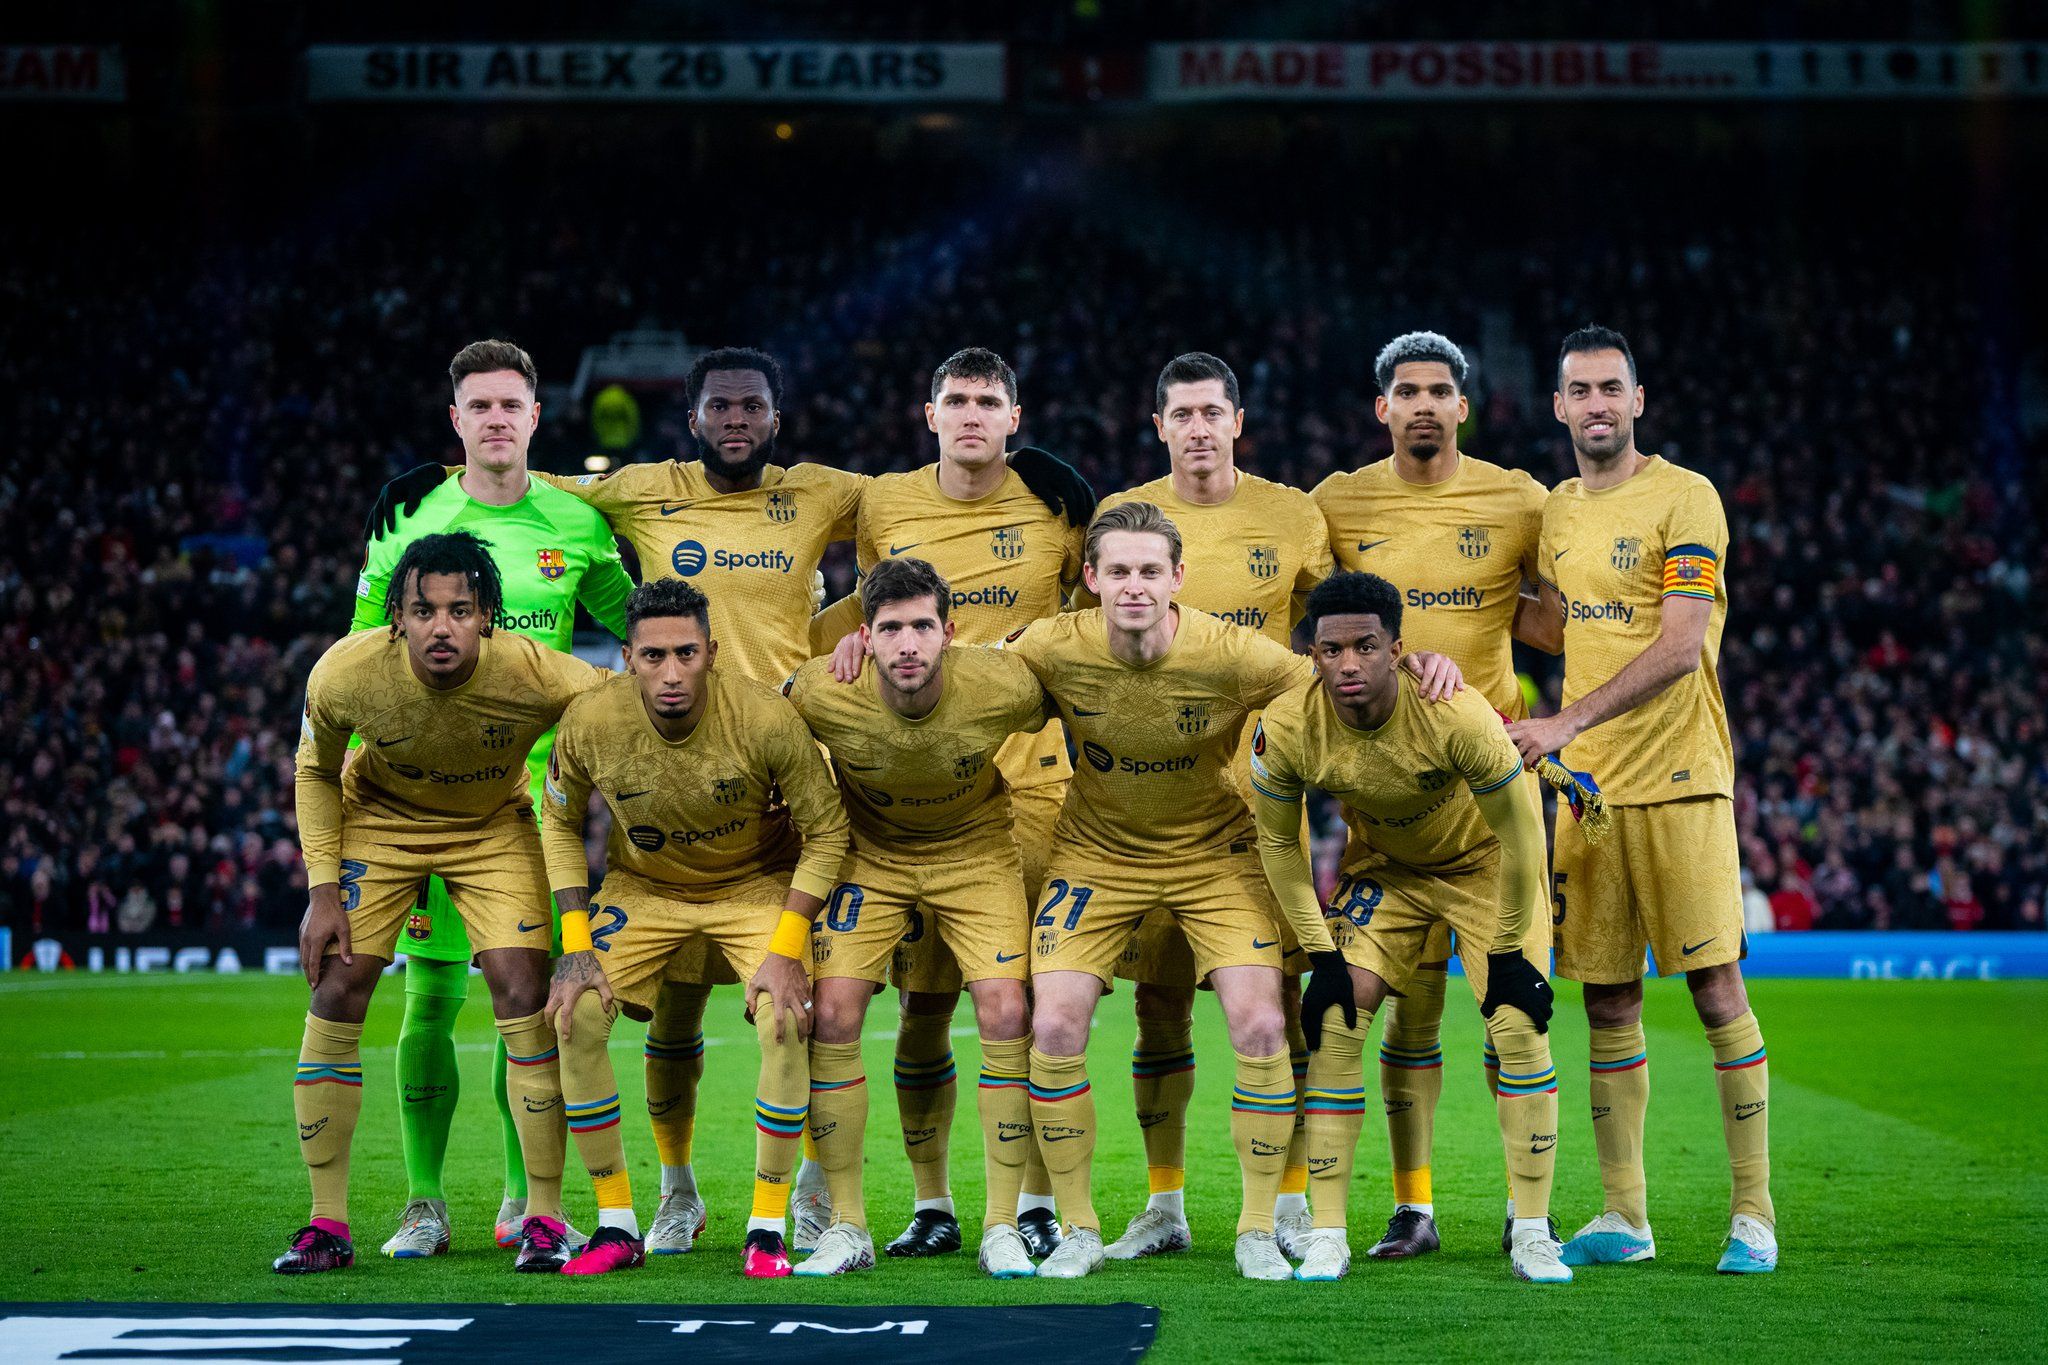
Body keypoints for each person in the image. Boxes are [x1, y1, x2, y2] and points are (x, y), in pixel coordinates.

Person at [1002, 502, 1463, 1281]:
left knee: (1258, 1025)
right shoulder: (1052, 643)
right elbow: (965, 676)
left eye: (1151, 570)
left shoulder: (1232, 652)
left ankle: (1255, 1228)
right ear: (1090, 579)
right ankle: (1078, 1227)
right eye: (1117, 570)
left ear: (1178, 578)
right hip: (1096, 852)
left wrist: (1419, 663)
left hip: (1216, 851)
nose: (1135, 586)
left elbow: (1336, 674)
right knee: (1052, 1026)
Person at [805, 346, 1091, 1259]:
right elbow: (788, 527)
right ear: (928, 414)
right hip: (910, 784)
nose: (972, 414)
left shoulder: (1058, 507)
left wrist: (1077, 487)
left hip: (1036, 783)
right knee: (922, 1007)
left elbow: (1104, 597)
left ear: (1016, 414)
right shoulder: (880, 501)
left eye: (989, 401)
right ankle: (932, 1202)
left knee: (1036, 1001)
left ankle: (1036, 1199)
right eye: (956, 399)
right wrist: (845, 643)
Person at [1507, 325, 1776, 1275]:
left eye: (1610, 388)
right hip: (1589, 792)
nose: (1596, 405)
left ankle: (1755, 1213)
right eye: (1579, 390)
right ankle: (1626, 1213)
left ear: (1638, 398)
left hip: (1682, 778)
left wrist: (1563, 722)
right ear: (1558, 406)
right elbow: (1561, 626)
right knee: (1609, 1001)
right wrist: (1461, 604)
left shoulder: (1686, 495)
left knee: (1715, 988)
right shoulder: (1558, 514)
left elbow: (1677, 643)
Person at [355, 338, 632, 1260]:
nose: (498, 419)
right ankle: (425, 1201)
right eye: (480, 406)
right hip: (422, 803)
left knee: (532, 1004)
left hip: (535, 813)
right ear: (457, 421)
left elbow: (637, 626)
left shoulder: (576, 520)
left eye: (513, 404)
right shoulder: (408, 514)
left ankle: (524, 1199)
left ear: (537, 416)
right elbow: (360, 657)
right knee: (428, 1002)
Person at [277, 531, 608, 1274]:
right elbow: (316, 773)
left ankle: (544, 1216)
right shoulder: (345, 672)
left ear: (489, 614)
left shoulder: (533, 670)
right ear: (395, 615)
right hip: (382, 822)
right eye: (424, 609)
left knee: (524, 989)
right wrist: (322, 889)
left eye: (460, 609)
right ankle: (326, 1221)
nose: (441, 625)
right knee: (339, 982)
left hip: (492, 823)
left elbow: (620, 707)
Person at [1076, 352, 1334, 1262]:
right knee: (1158, 1001)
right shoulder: (1127, 519)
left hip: (1262, 799)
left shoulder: (1294, 514)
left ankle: (1292, 1199)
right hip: (1149, 799)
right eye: (1180, 412)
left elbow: (1331, 629)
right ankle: (1165, 1202)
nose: (1196, 427)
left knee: (1281, 1001)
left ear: (1237, 421)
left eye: (1211, 411)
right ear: (1159, 426)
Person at [1249, 571, 1569, 1285]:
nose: (1349, 664)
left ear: (1398, 648)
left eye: (1366, 646)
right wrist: (1320, 950)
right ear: (1314, 655)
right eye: (1332, 650)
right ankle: (1328, 1231)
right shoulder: (1291, 724)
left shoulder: (1457, 712)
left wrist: (1514, 949)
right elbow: (1279, 846)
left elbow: (1522, 838)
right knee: (1333, 1016)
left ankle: (1533, 1227)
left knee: (1518, 1021)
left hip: (1486, 864)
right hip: (1387, 869)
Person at [1311, 330, 1555, 1258]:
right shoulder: (1339, 501)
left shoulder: (1518, 497)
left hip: (1489, 802)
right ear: (1382, 408)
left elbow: (1560, 621)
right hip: (1386, 815)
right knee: (1402, 1019)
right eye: (1405, 390)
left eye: (1438, 390)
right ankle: (1413, 1206)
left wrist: (1499, 666)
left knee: (1513, 1017)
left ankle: (1526, 1213)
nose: (1422, 404)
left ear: (1464, 405)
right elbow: (1312, 620)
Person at [539, 578, 850, 1278]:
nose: (671, 672)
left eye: (686, 652)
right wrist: (575, 941)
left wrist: (787, 946)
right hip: (644, 888)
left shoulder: (765, 717)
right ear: (627, 657)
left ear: (711, 651)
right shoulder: (590, 720)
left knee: (785, 1016)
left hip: (753, 884)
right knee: (576, 1012)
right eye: (653, 656)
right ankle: (618, 1220)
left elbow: (828, 830)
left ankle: (768, 1225)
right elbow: (557, 819)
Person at [787, 557, 1054, 1278]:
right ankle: (848, 1226)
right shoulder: (821, 689)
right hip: (871, 856)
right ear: (865, 636)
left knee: (1004, 1012)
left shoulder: (1002, 683)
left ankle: (1003, 1224)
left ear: (950, 632)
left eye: (923, 627)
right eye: (891, 629)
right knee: (834, 1017)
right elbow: (765, 727)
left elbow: (1081, 694)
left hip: (977, 853)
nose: (908, 643)